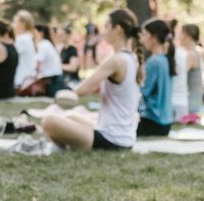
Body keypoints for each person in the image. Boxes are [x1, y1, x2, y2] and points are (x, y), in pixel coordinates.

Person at [43, 8, 140, 151]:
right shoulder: (132, 58)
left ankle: (64, 147)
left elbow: (81, 90)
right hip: (123, 137)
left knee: (49, 121)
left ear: (118, 29)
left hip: (112, 139)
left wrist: (64, 94)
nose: (103, 31)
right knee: (71, 115)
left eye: (107, 26)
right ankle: (66, 145)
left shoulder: (115, 60)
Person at [137, 18, 176, 137]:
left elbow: (143, 91)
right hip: (165, 123)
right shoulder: (165, 59)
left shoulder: (154, 62)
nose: (141, 39)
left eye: (144, 35)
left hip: (153, 123)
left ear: (154, 37)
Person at [172, 22, 203, 121]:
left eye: (181, 34)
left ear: (188, 37)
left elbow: (179, 75)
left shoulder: (191, 54)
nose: (179, 37)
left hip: (190, 103)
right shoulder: (193, 52)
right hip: (193, 101)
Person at [33, 24, 68, 95]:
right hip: (56, 78)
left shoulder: (43, 44)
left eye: (35, 32)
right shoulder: (47, 43)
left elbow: (38, 65)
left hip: (53, 80)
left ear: (41, 33)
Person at [11, 10, 37, 92]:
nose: (13, 25)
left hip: (21, 81)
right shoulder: (28, 38)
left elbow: (11, 58)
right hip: (27, 79)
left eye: (15, 22)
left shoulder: (22, 40)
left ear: (23, 24)